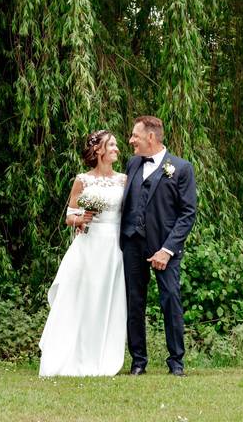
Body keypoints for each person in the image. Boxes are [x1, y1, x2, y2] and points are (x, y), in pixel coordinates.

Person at [38, 130, 128, 377]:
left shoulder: (123, 180)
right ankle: (73, 355)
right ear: (98, 150)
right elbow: (69, 216)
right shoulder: (82, 180)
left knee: (107, 300)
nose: (117, 148)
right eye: (112, 144)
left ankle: (104, 356)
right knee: (82, 298)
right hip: (88, 245)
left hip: (114, 248)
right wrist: (82, 217)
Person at [120, 116, 197, 377]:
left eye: (135, 136)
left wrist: (167, 250)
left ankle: (176, 362)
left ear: (150, 138)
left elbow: (188, 213)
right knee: (134, 303)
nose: (130, 140)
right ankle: (138, 361)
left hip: (164, 247)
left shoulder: (181, 168)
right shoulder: (132, 164)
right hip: (132, 244)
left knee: (170, 301)